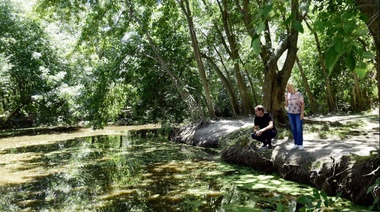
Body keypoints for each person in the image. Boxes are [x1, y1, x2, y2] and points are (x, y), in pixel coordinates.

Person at [285, 82, 305, 150]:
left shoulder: (298, 94)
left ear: (292, 87)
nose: (288, 90)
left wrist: (302, 113)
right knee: (293, 129)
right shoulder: (288, 94)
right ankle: (296, 143)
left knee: (299, 128)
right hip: (290, 114)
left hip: (298, 113)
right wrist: (285, 98)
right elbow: (286, 105)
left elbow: (302, 104)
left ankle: (300, 144)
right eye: (287, 89)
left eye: (289, 88)